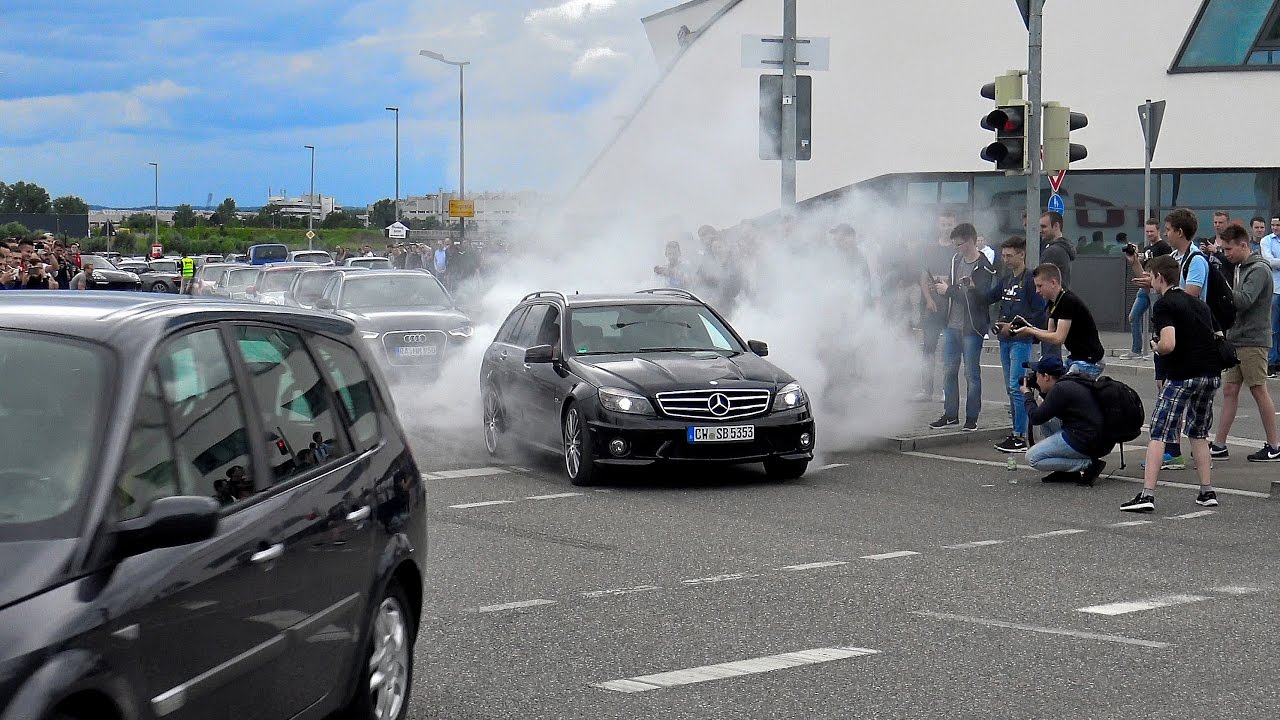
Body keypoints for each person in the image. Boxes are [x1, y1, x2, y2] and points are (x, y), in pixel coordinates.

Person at [1121, 254, 1223, 512]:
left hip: (1182, 375)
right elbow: (1218, 335)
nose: (1149, 281)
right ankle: (1206, 491)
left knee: (1159, 431)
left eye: (1151, 276)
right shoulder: (1198, 303)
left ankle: (1147, 494)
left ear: (1159, 277)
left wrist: (1156, 347)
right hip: (1209, 375)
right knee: (1199, 431)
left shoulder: (1165, 305)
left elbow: (1168, 344)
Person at [1133, 207, 1213, 470]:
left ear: (1179, 231)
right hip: (1170, 331)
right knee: (1163, 387)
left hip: (1185, 342)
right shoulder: (1174, 257)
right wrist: (1152, 283)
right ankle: (1174, 451)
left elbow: (1190, 295)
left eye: (1168, 229)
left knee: (1182, 408)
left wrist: (1164, 291)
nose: (1165, 233)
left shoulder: (1195, 259)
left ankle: (1170, 457)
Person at [1209, 224, 1280, 461]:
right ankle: (1219, 444)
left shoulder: (1258, 269)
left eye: (1229, 249)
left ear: (1243, 245)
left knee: (1259, 389)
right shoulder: (1240, 267)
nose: (1226, 253)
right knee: (1229, 390)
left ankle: (1274, 445)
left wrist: (1220, 286)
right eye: (1224, 249)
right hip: (1236, 338)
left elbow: (1244, 300)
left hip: (1253, 339)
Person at [928, 223, 996, 431]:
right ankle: (950, 414)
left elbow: (976, 299)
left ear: (970, 241)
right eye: (955, 244)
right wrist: (945, 287)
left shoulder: (984, 266)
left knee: (971, 374)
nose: (957, 248)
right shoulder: (956, 260)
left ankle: (971, 418)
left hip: (972, 327)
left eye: (960, 244)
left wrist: (947, 291)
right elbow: (958, 289)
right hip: (951, 324)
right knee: (949, 370)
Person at [987, 236, 1047, 453]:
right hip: (1005, 340)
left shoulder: (1030, 280)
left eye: (1009, 256)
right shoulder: (1006, 279)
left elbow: (1039, 311)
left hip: (1021, 340)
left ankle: (1021, 435)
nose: (1006, 260)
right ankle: (1015, 431)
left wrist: (1013, 326)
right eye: (1003, 256)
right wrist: (968, 289)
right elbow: (989, 298)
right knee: (1010, 388)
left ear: (1022, 254)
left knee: (1017, 386)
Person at [1021, 356, 1110, 485]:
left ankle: (1088, 464)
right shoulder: (1071, 380)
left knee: (1032, 458)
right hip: (1098, 439)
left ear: (1046, 377)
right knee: (1047, 422)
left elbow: (1035, 417)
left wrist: (1027, 394)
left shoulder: (1060, 390)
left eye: (1037, 375)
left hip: (1085, 441)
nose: (1035, 378)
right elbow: (1046, 414)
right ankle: (1068, 471)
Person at [1013, 263, 1105, 379]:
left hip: (1090, 360)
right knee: (1055, 386)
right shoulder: (1054, 301)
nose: (1037, 290)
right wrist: (1028, 327)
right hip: (1075, 357)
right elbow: (1050, 332)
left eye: (1040, 286)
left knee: (1067, 391)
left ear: (1053, 283)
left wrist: (1030, 331)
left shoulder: (1067, 301)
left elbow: (1058, 338)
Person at [918, 210, 958, 401]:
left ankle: (946, 390)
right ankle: (927, 390)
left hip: (951, 305)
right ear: (938, 225)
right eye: (943, 224)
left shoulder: (957, 250)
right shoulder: (930, 248)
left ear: (954, 225)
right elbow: (923, 276)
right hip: (932, 305)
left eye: (949, 224)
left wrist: (947, 283)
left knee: (949, 350)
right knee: (928, 348)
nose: (946, 228)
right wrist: (928, 299)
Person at [1119, 218, 1172, 360]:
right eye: (1147, 231)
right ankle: (1136, 349)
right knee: (1133, 316)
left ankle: (1157, 348)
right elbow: (1141, 271)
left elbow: (1167, 268)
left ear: (1158, 231)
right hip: (1145, 288)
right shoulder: (1148, 248)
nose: (1149, 234)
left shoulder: (1164, 247)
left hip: (1156, 288)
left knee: (1158, 318)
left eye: (1151, 231)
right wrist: (1135, 259)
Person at [1260, 214, 1280, 376]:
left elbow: (1275, 261)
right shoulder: (1266, 241)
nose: (1274, 228)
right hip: (1275, 289)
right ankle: (1272, 362)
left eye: (1277, 225)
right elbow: (1268, 261)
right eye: (1273, 225)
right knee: (1273, 327)